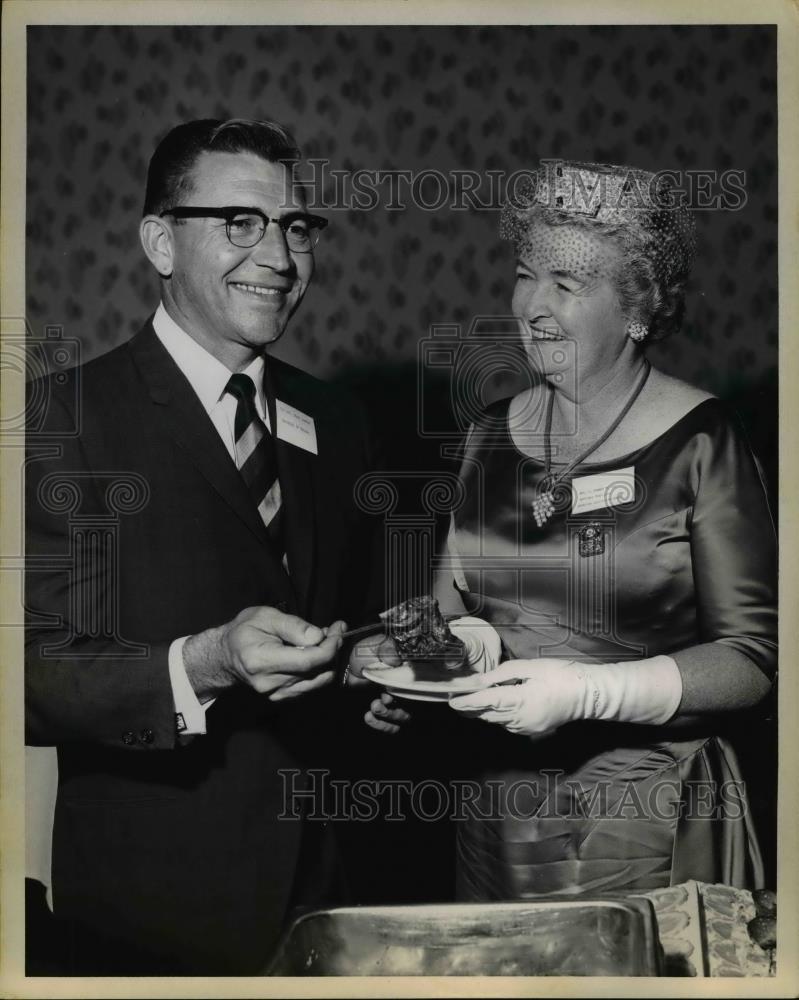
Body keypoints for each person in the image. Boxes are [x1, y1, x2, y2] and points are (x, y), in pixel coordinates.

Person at [354, 160, 777, 899]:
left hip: (648, 819)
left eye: (567, 285)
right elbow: (453, 624)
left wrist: (590, 692)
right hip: (498, 814)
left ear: (636, 307)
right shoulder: (488, 435)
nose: (533, 308)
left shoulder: (702, 439)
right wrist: (408, 670)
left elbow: (754, 663)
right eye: (525, 274)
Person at [25, 118, 381, 974]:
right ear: (159, 241)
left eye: (295, 227)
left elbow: (355, 622)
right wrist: (207, 662)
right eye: (239, 223)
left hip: (336, 897)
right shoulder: (59, 420)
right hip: (150, 924)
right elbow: (27, 676)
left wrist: (373, 672)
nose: (278, 258)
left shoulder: (336, 420)